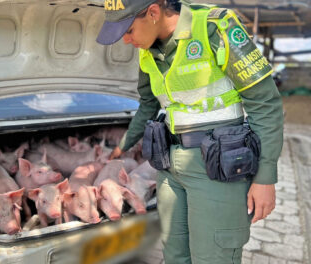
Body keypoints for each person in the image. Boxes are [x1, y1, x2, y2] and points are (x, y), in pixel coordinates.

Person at [96, 0, 283, 263]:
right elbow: (148, 105)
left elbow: (265, 103)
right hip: (171, 169)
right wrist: (121, 147)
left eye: (128, 31)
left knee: (213, 257)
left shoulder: (214, 28)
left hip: (217, 169)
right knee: (175, 257)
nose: (126, 41)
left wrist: (265, 177)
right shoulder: (148, 50)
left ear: (153, 12)